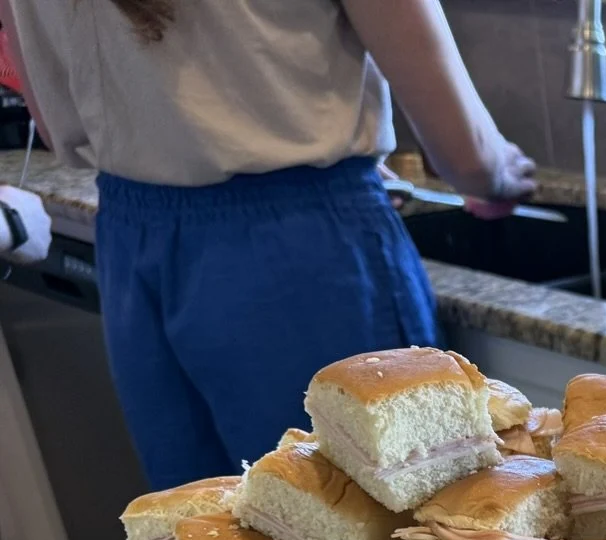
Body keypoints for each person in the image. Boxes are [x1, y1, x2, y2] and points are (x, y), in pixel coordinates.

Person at [0, 0, 536, 489]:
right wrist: (499, 175)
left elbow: (51, 120)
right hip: (301, 252)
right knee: (377, 535)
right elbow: (467, 158)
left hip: (135, 244)